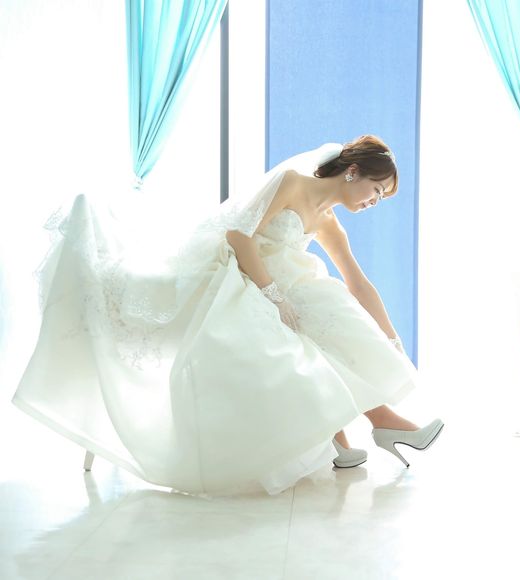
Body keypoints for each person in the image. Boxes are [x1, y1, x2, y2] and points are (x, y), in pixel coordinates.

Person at [12, 135, 443, 496]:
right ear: (353, 172)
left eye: (381, 196)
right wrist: (272, 294)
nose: (375, 201)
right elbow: (239, 234)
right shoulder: (292, 183)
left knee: (331, 303)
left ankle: (367, 427)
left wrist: (392, 339)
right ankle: (369, 427)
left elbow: (358, 282)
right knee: (308, 316)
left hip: (287, 285)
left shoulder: (330, 223)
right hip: (234, 269)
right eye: (377, 189)